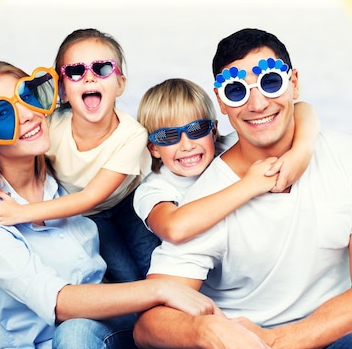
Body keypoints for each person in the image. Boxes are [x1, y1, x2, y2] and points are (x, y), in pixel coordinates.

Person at [132, 28, 352, 349]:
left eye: (271, 82)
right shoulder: (208, 197)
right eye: (237, 91)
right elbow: (148, 324)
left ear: (294, 83)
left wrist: (269, 344)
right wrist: (210, 331)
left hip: (325, 345)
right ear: (222, 102)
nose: (257, 104)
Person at [0, 60, 220, 349]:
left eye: (27, 97)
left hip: (111, 330)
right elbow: (57, 301)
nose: (29, 115)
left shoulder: (67, 177)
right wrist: (161, 289)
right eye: (4, 113)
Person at [0, 28, 160, 283]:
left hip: (127, 202)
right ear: (61, 91)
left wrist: (22, 212)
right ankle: (137, 320)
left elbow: (91, 195)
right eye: (75, 72)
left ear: (120, 85)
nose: (89, 79)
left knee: (153, 264)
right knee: (125, 276)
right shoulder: (48, 127)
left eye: (102, 68)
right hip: (86, 215)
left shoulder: (132, 135)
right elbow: (13, 157)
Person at [133, 78, 319, 244]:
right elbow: (174, 229)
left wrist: (301, 152)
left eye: (197, 129)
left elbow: (301, 109)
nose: (187, 145)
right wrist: (250, 185)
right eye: (168, 136)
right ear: (154, 148)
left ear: (213, 131)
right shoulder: (154, 189)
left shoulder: (230, 148)